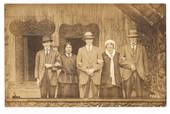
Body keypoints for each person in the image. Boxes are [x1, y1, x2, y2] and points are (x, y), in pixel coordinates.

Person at [120, 29, 149, 98]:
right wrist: (130, 65)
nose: (133, 39)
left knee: (139, 94)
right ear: (129, 38)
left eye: (134, 37)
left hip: (140, 73)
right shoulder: (124, 48)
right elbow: (121, 61)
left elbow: (145, 61)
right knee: (127, 94)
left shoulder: (142, 48)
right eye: (131, 37)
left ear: (136, 38)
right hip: (128, 73)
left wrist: (146, 73)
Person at [77, 31, 103, 99]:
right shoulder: (81, 50)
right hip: (84, 75)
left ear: (92, 40)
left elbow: (101, 63)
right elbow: (78, 63)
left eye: (90, 39)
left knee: (95, 96)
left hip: (95, 76)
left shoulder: (98, 49)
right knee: (84, 97)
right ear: (85, 40)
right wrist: (86, 70)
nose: (89, 40)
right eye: (87, 39)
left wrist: (93, 69)